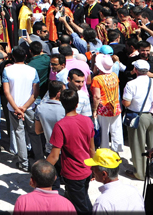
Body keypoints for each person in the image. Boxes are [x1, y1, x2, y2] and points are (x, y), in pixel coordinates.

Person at [44, 87, 94, 215]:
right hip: (87, 169)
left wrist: (41, 171)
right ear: (77, 104)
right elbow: (91, 148)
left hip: (73, 173)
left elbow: (54, 156)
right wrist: (94, 168)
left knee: (82, 206)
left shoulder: (60, 125)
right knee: (81, 198)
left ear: (62, 104)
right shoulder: (87, 121)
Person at [121, 59, 153, 180]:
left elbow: (126, 103)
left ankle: (140, 173)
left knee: (137, 145)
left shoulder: (131, 84)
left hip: (138, 116)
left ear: (135, 70)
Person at [3, 47, 39, 171]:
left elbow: (7, 92)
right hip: (29, 107)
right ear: (25, 57)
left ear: (12, 57)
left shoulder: (7, 70)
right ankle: (39, 159)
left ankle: (24, 163)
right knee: (34, 133)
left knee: (19, 133)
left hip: (14, 107)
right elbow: (35, 92)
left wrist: (16, 108)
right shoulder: (32, 70)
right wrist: (24, 107)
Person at [87, 148, 145, 214]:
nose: (91, 168)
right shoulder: (134, 191)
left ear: (104, 174)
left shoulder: (102, 203)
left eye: (94, 167)